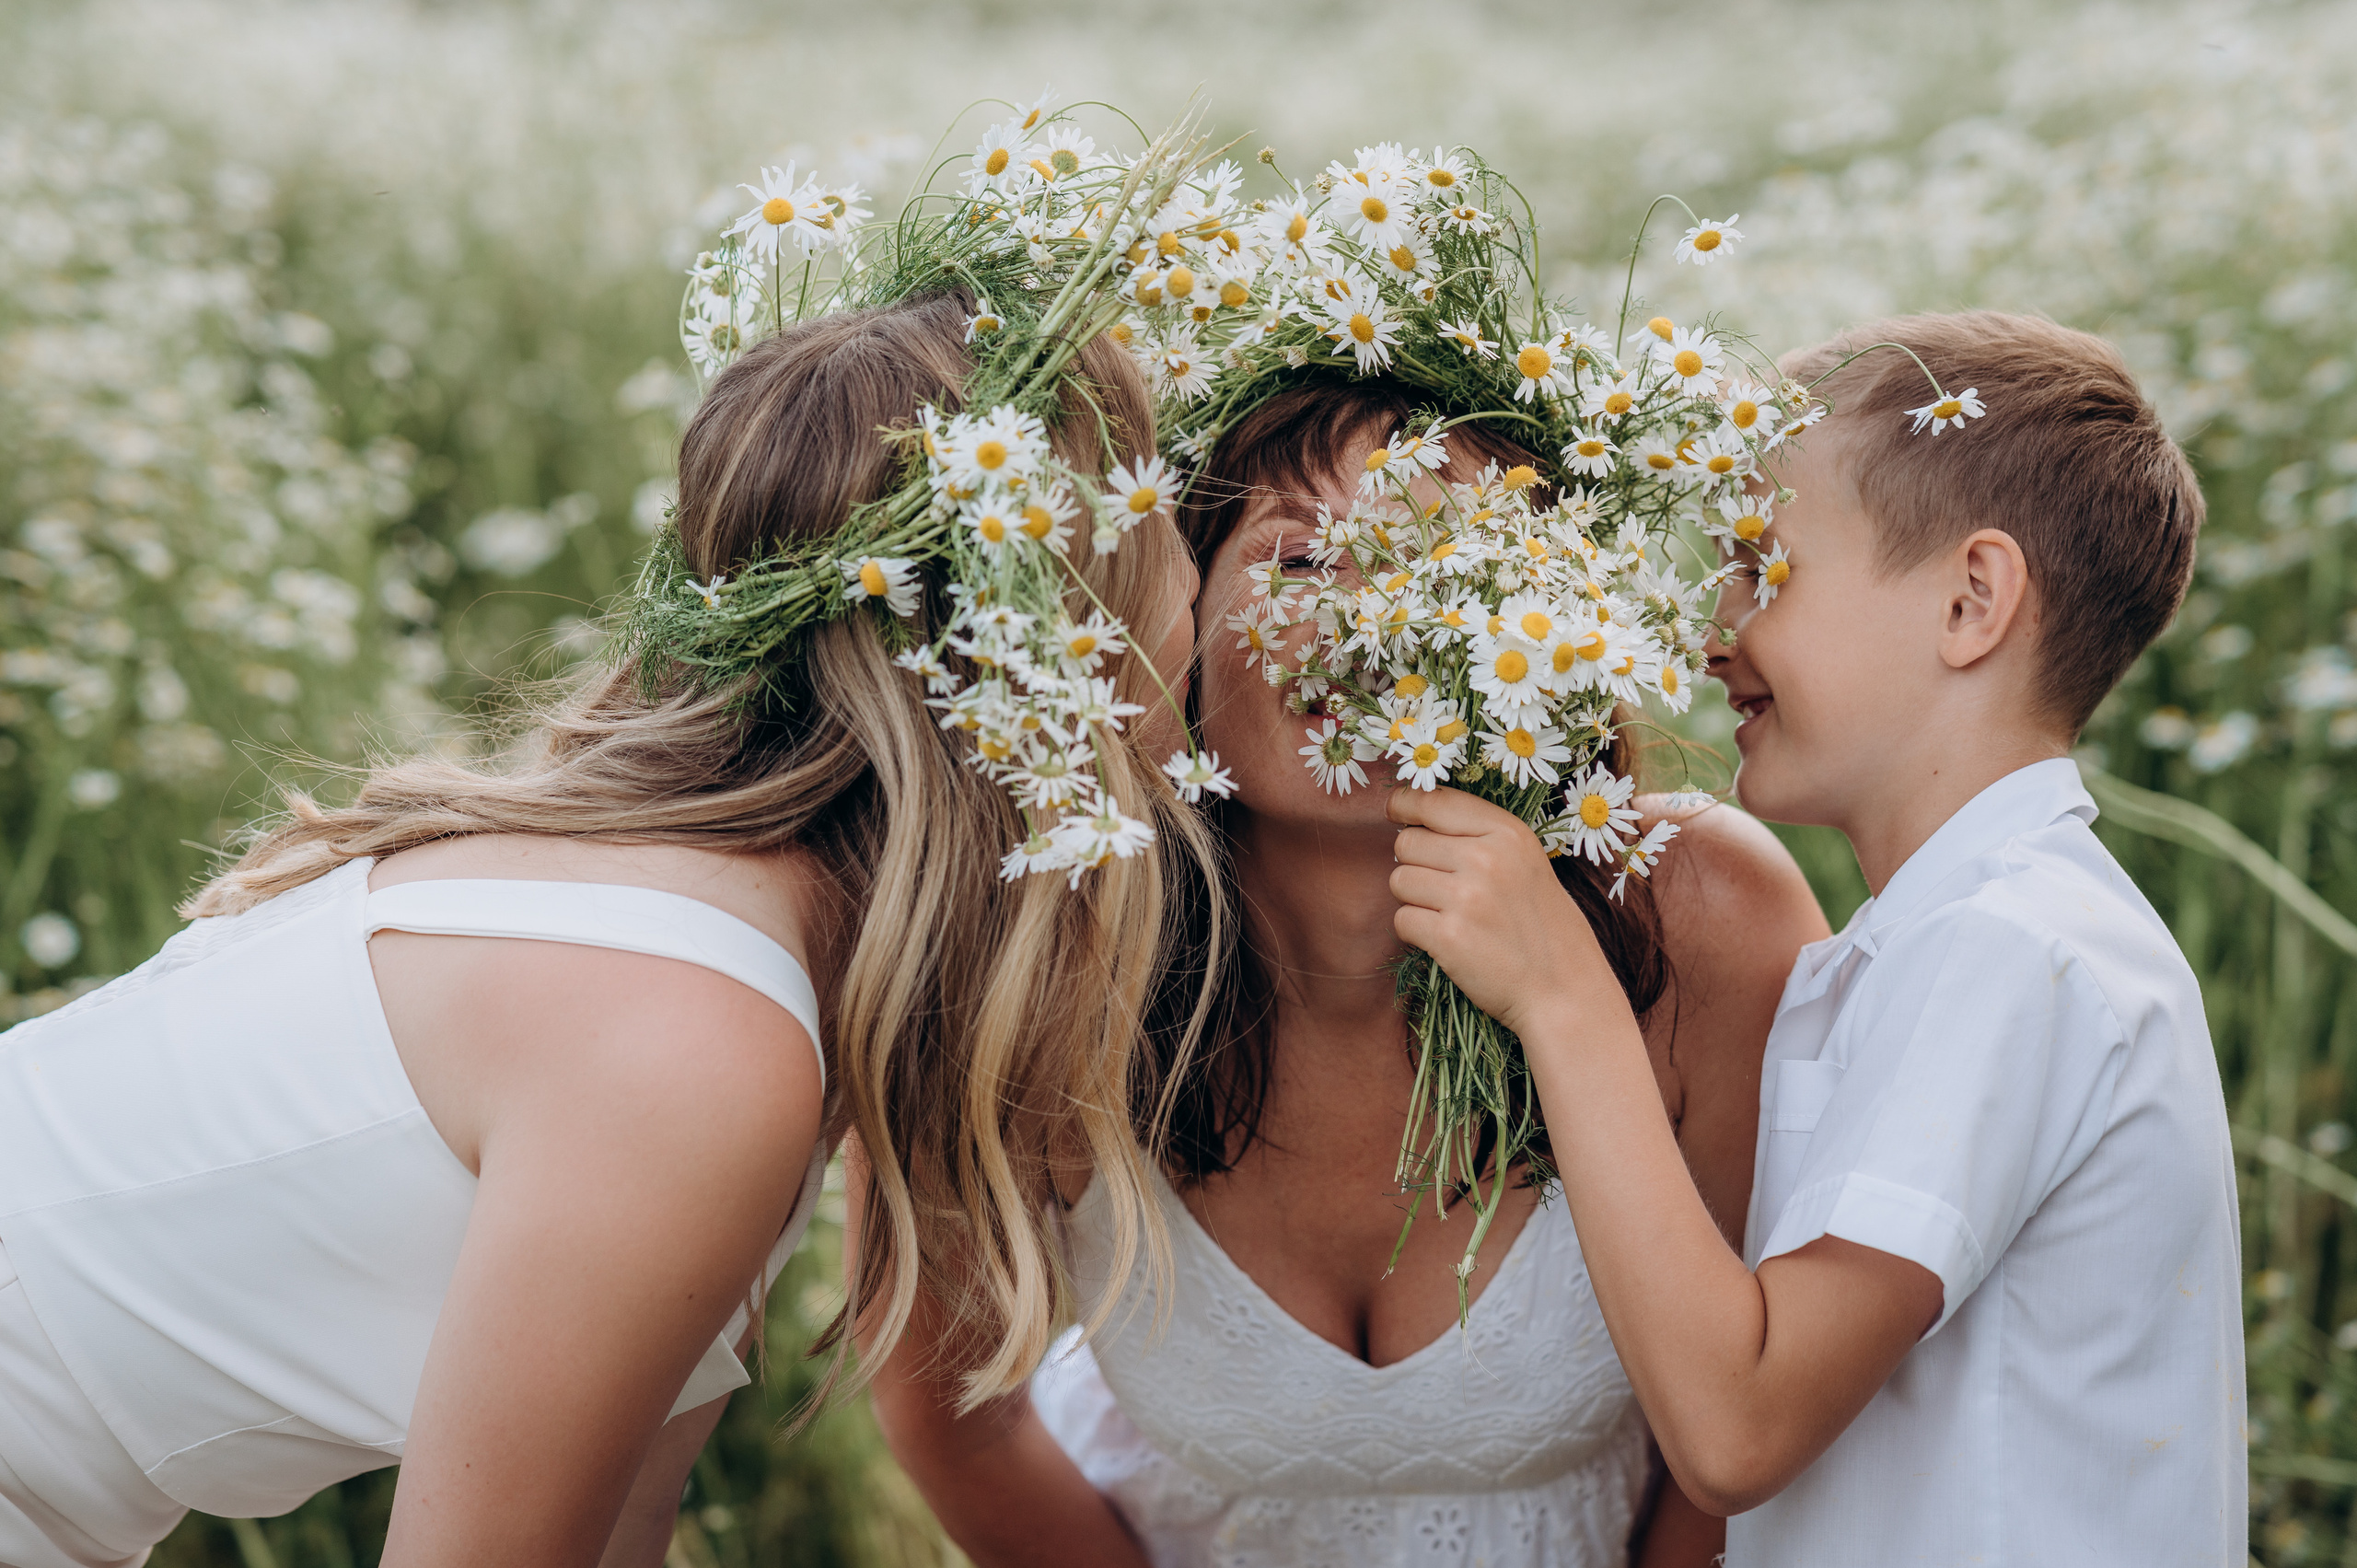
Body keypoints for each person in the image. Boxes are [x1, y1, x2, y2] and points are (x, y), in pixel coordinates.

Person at [0, 290, 1209, 1568]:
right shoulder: (689, 1041)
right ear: (1054, 665)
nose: (1195, 602)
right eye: (1166, 553)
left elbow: (623, 1520)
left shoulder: (727, 957)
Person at [870, 377, 1830, 1567]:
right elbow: (950, 1418)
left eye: (1439, 561)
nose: (1372, 620)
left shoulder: (1703, 915)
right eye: (1302, 560)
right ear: (1172, 617)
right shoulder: (1037, 964)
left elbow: (1749, 1440)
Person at [1390, 310, 2242, 1565]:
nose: (1711, 631)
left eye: (1763, 565)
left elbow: (1737, 1426)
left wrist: (1562, 993)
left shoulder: (2012, 949)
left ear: (1971, 600)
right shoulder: (1960, 934)